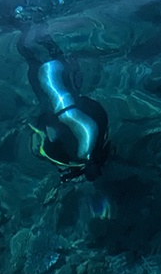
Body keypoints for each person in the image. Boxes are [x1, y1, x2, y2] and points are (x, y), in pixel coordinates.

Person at [17, 23, 111, 182]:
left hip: (63, 85)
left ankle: (28, 25)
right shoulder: (72, 154)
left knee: (44, 51)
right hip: (50, 93)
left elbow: (95, 108)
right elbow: (44, 134)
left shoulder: (92, 141)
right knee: (30, 54)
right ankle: (26, 27)